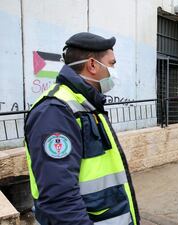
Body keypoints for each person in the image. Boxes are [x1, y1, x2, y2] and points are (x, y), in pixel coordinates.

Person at [24, 32, 140, 225]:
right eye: (112, 64)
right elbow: (59, 200)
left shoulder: (87, 105)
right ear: (93, 65)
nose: (114, 70)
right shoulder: (56, 111)